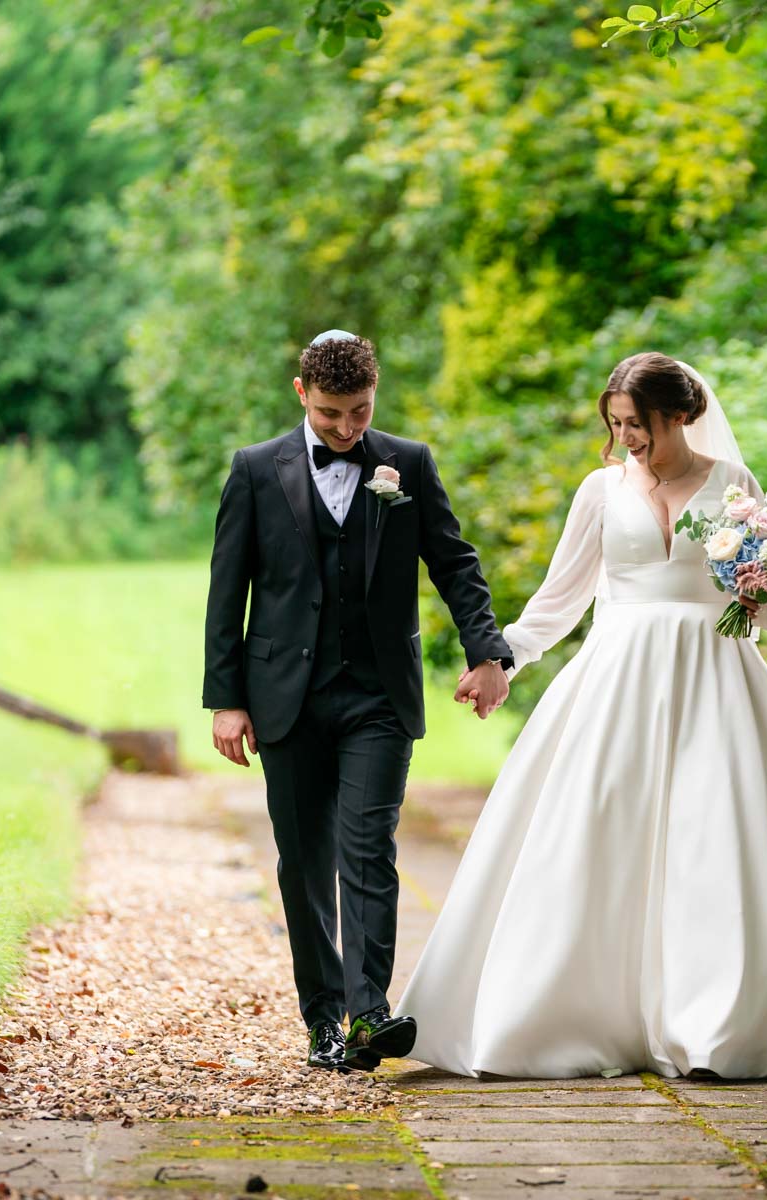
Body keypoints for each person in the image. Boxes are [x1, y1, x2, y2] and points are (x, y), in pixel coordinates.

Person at [402, 352, 767, 1079]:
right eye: (616, 425)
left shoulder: (732, 485)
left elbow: (766, 616)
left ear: (679, 415)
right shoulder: (600, 489)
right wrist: (501, 660)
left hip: (714, 682)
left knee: (712, 843)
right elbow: (560, 601)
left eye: (639, 424)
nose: (627, 439)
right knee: (593, 835)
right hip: (616, 682)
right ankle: (564, 1018)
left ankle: (711, 1028)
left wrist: (761, 579)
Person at [202, 330, 514, 1072]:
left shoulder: (407, 463)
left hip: (378, 694)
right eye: (334, 414)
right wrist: (226, 699)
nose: (349, 429)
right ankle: (323, 1023)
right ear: (301, 393)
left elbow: (455, 562)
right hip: (285, 698)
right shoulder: (253, 471)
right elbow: (227, 589)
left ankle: (369, 1013)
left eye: (362, 412)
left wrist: (488, 651)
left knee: (369, 848)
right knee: (304, 861)